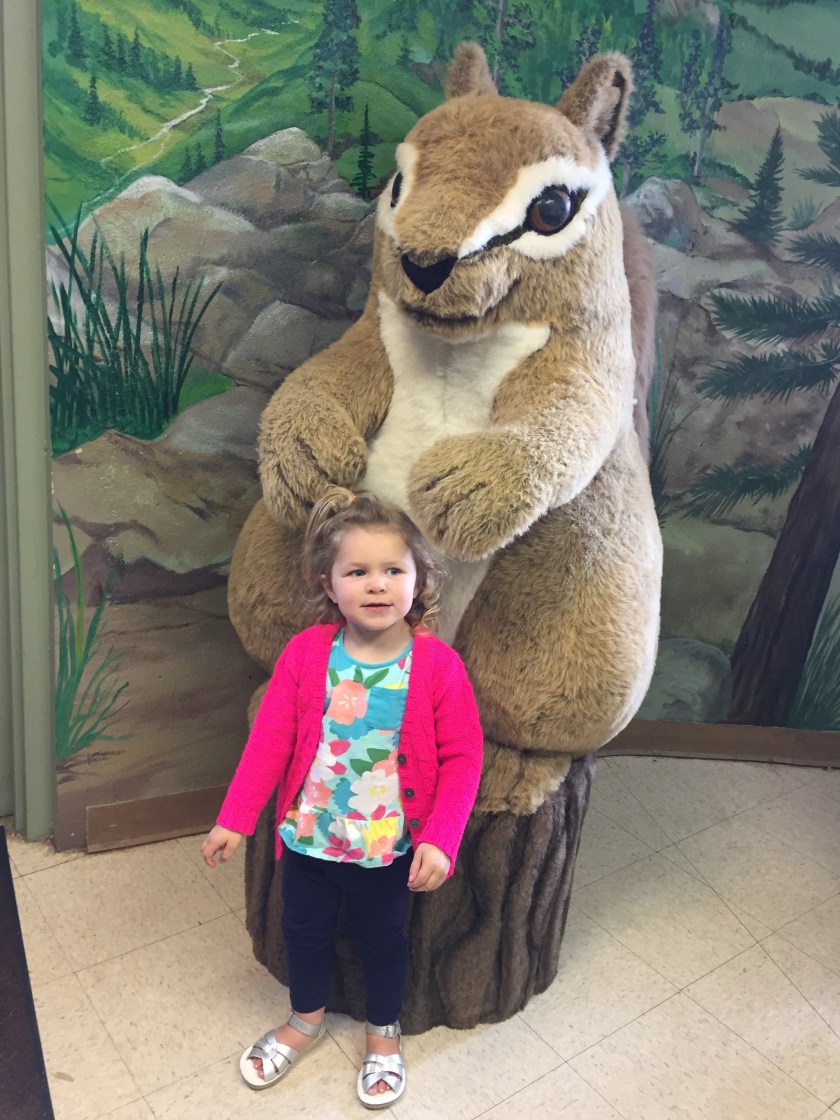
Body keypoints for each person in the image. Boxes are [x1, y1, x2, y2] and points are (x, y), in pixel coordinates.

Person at [201, 487, 483, 1109]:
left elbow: (465, 755)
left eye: (393, 570)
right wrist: (235, 818)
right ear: (330, 585)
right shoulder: (307, 655)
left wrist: (441, 836)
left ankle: (384, 1035)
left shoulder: (437, 667)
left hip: (388, 846)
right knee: (302, 930)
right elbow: (271, 740)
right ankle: (304, 1020)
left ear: (419, 579)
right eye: (357, 572)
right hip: (309, 835)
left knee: (382, 939)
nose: (376, 585)